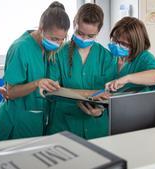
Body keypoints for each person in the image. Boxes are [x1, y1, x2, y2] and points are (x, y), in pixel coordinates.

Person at [0, 1, 70, 140]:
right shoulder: (21, 48)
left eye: (61, 39)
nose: (58, 43)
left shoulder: (49, 49)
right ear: (41, 28)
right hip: (17, 121)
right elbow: (10, 92)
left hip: (37, 120)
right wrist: (37, 83)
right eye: (54, 38)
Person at [47, 3, 116, 139]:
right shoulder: (58, 54)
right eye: (80, 33)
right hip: (64, 127)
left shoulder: (106, 57)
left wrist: (100, 110)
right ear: (74, 24)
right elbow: (51, 90)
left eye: (90, 36)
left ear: (98, 32)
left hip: (97, 129)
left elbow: (110, 94)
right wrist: (81, 97)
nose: (84, 39)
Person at [106, 17, 155, 92]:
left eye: (123, 43)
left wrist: (127, 79)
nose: (116, 45)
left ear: (135, 44)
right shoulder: (112, 59)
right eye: (114, 40)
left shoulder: (143, 57)